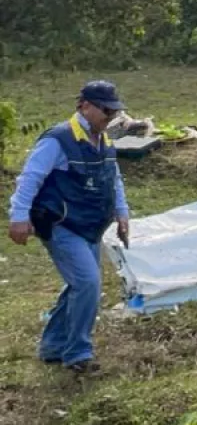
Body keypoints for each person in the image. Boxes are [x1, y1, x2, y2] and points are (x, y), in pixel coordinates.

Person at [6, 80, 132, 374]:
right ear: (84, 106)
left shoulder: (104, 140)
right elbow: (30, 179)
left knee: (80, 284)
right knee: (88, 283)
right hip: (61, 224)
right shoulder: (58, 140)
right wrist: (18, 217)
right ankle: (78, 354)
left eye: (114, 111)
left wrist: (122, 213)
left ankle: (52, 346)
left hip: (91, 225)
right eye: (105, 110)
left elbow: (113, 178)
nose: (110, 116)